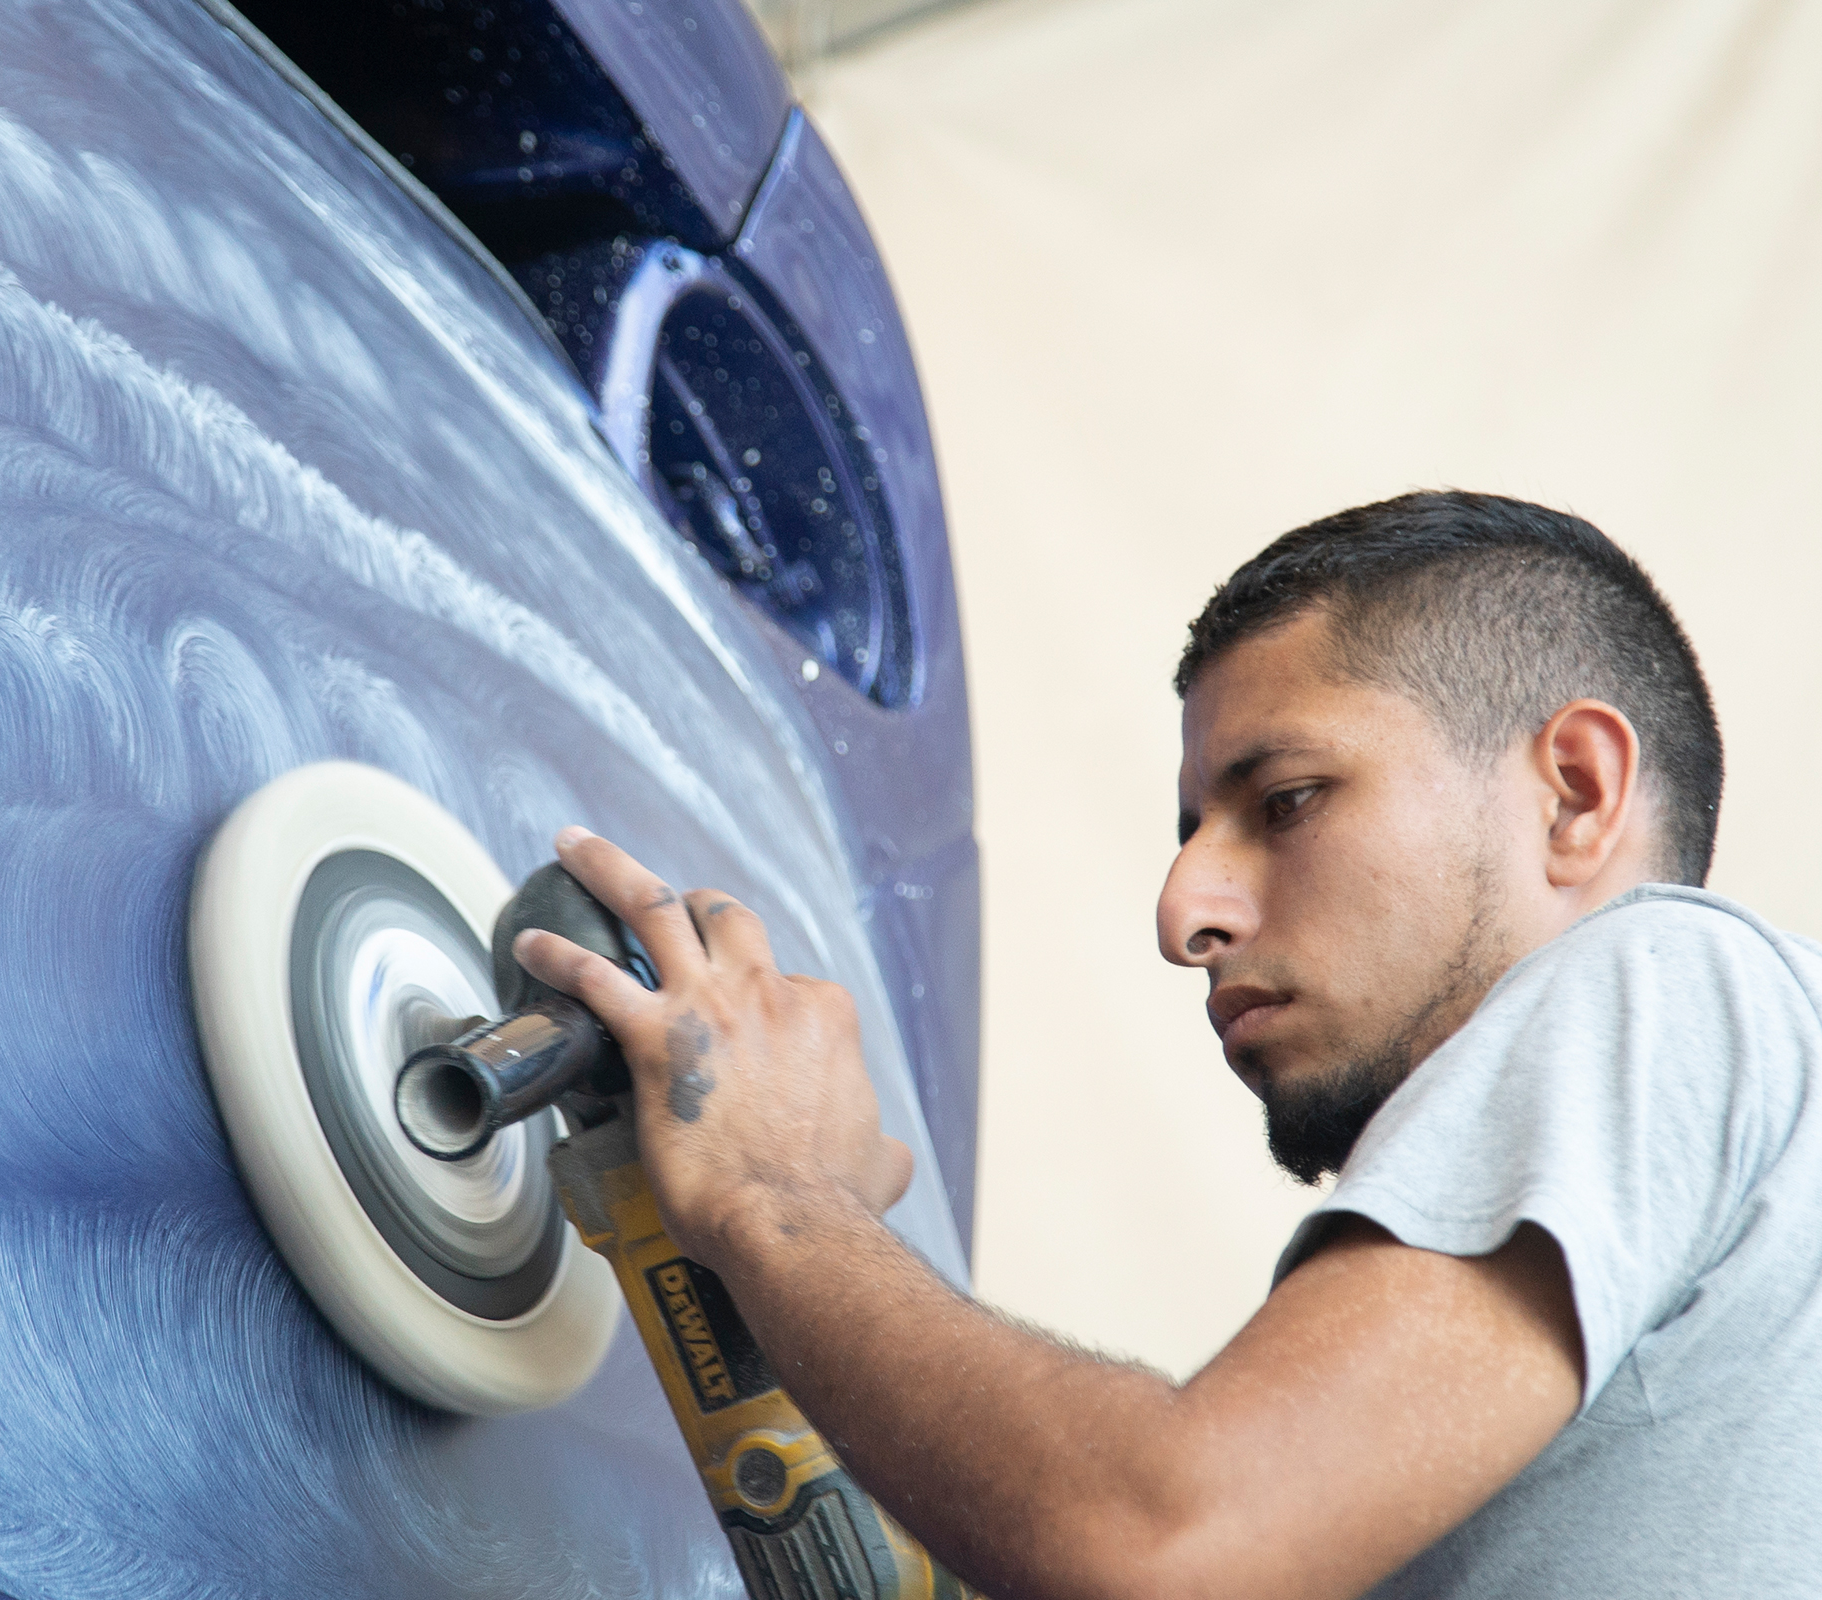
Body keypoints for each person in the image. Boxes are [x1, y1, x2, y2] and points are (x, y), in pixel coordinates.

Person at [514, 490, 1822, 1598]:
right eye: (1190, 830)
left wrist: (773, 1198)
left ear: (1576, 794)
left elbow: (1166, 1549)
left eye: (1289, 800)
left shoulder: (1673, 975)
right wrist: (817, 1254)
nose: (1183, 911)